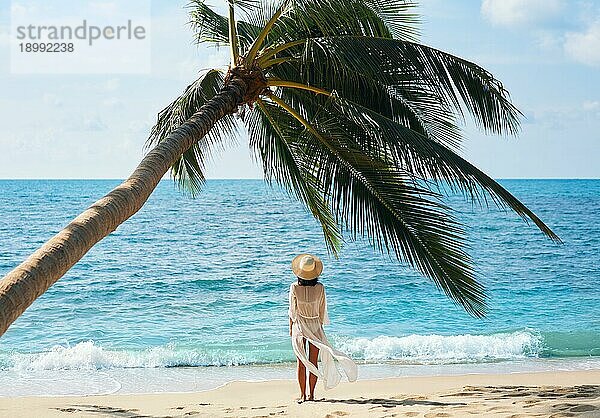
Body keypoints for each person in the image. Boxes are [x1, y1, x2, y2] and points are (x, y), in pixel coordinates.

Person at [288, 253, 357, 403]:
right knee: (310, 361)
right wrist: (319, 325)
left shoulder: (294, 287)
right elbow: (322, 310)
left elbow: (292, 311)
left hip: (300, 325)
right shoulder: (320, 288)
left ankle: (305, 395)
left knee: (304, 362)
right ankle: (309, 394)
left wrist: (290, 328)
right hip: (314, 326)